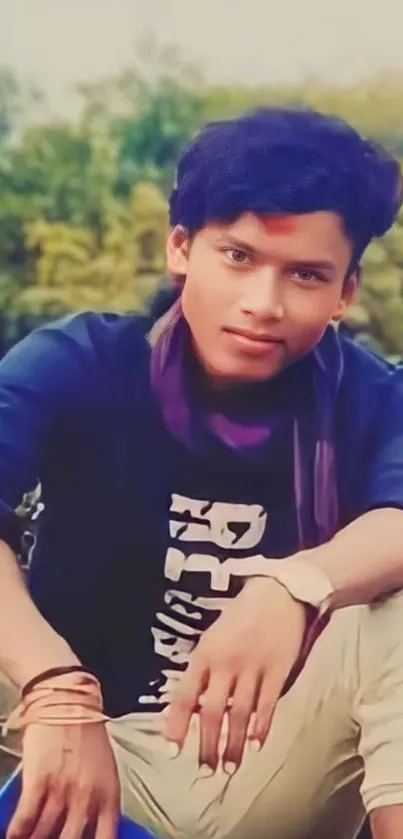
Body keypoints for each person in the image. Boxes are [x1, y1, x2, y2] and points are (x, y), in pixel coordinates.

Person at [1, 107, 403, 839]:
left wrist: (293, 585)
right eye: (238, 256)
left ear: (344, 292)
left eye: (305, 275)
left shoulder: (373, 396)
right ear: (181, 247)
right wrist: (56, 685)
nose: (262, 304)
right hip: (60, 737)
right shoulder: (81, 361)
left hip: (250, 770)